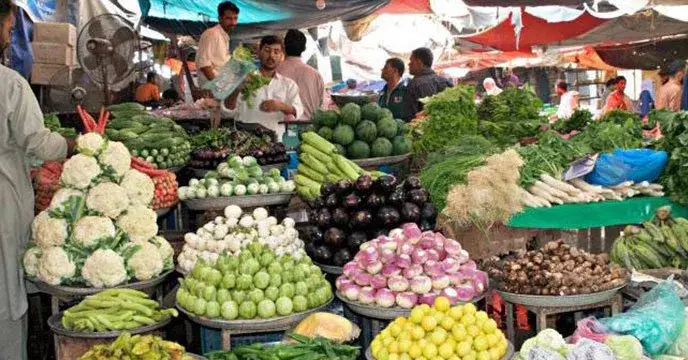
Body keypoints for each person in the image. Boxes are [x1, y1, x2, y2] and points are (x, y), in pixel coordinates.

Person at [0, 2, 74, 358]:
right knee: (5, 299)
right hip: (3, 199)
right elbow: (38, 142)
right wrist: (73, 144)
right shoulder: (9, 84)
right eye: (9, 26)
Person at [223, 35, 303, 140]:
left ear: (281, 56)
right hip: (246, 141)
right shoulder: (244, 79)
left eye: (276, 52)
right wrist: (237, 88)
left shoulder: (288, 84)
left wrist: (281, 106)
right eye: (267, 50)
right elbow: (227, 111)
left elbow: (297, 111)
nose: (271, 56)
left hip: (276, 143)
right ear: (259, 52)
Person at [277, 29, 324, 121]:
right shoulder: (315, 75)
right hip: (310, 130)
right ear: (304, 48)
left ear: (283, 47)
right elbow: (321, 105)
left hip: (280, 130)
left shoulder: (275, 72)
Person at [196, 1, 239, 86]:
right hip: (212, 90)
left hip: (220, 88)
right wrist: (218, 87)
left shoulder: (223, 36)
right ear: (219, 18)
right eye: (229, 18)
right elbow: (204, 65)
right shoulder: (212, 34)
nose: (233, 22)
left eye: (235, 18)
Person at [404, 47, 453, 117]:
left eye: (411, 61)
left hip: (422, 127)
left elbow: (411, 117)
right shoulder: (446, 81)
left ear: (418, 62)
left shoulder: (414, 84)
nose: (409, 64)